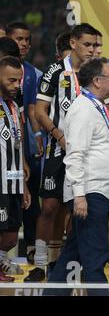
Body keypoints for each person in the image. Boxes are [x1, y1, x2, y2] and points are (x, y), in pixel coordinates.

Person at [25, 23, 98, 282]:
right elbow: (39, 111)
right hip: (58, 149)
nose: (92, 50)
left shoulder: (95, 73)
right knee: (49, 206)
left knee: (74, 208)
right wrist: (59, 136)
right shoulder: (55, 71)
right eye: (87, 44)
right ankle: (41, 263)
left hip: (87, 153)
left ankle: (62, 263)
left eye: (95, 45)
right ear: (74, 43)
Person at [44, 57, 109, 296]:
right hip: (90, 192)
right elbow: (75, 155)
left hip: (97, 191)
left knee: (73, 254)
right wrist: (79, 196)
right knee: (95, 257)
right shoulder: (82, 108)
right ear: (98, 81)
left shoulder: (96, 106)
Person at [6, 22, 43, 264]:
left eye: (27, 39)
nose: (24, 43)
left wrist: (38, 138)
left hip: (23, 143)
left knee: (30, 197)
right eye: (19, 38)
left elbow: (31, 111)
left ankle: (31, 245)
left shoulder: (34, 74)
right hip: (6, 144)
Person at [0, 56, 31, 282]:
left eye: (19, 81)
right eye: (11, 80)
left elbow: (17, 143)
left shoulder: (13, 105)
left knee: (11, 237)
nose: (16, 85)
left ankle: (2, 262)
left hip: (14, 180)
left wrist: (24, 185)